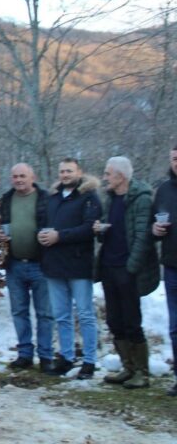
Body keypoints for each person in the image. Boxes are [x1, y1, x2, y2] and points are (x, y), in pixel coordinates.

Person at [94, 156, 159, 389]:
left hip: (128, 270)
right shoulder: (110, 199)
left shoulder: (141, 199)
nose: (104, 178)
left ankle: (142, 372)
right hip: (109, 267)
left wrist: (131, 267)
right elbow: (106, 228)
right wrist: (99, 230)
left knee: (132, 321)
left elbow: (143, 237)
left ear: (121, 176)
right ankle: (127, 367)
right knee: (114, 320)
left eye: (108, 174)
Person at [38, 157, 101, 379]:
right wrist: (43, 234)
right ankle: (65, 357)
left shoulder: (89, 198)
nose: (65, 175)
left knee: (85, 315)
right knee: (61, 315)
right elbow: (44, 222)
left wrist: (59, 236)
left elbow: (89, 229)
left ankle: (90, 362)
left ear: (79, 172)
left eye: (69, 171)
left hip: (78, 264)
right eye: (62, 171)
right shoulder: (53, 199)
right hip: (54, 264)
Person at [0, 163, 54, 373]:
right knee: (19, 312)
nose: (19, 180)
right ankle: (25, 355)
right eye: (15, 176)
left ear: (32, 177)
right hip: (15, 264)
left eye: (23, 176)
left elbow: (56, 226)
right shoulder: (6, 199)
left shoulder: (46, 199)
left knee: (45, 313)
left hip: (41, 264)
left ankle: (46, 356)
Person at [152, 144, 177, 396]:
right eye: (174, 159)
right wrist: (155, 230)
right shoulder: (164, 190)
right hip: (171, 266)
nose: (176, 162)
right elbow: (154, 222)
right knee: (175, 327)